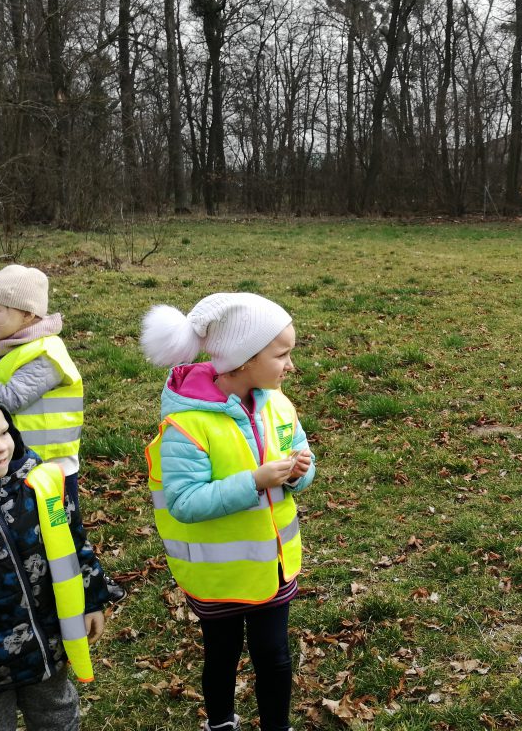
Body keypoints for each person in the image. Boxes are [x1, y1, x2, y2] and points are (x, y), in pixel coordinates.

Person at [140, 293, 315, 731]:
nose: (290, 366)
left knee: (274, 656)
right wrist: (255, 481)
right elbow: (184, 502)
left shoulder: (277, 404)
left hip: (272, 568)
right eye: (282, 355)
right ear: (243, 360)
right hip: (218, 577)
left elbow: (300, 453)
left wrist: (298, 472)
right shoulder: (188, 425)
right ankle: (220, 724)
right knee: (222, 654)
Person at [0, 265, 126, 603]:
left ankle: (91, 586)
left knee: (63, 530)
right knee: (33, 532)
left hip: (53, 468)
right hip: (20, 464)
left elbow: (10, 399)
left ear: (27, 314)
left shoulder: (46, 354)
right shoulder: (13, 348)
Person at [0, 387, 108, 730]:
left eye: (5, 432)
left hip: (45, 640)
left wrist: (91, 600)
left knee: (57, 714)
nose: (0, 446)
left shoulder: (39, 483)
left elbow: (74, 542)